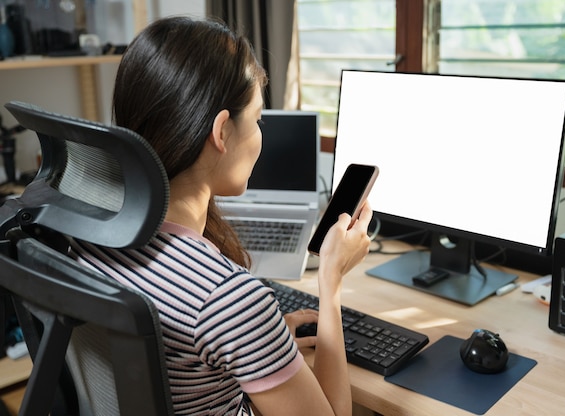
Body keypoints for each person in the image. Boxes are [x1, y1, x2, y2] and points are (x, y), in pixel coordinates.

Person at [71, 15, 373, 416]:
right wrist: (330, 282)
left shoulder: (83, 236)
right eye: (259, 119)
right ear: (222, 132)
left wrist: (258, 345)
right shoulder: (228, 298)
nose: (262, 133)